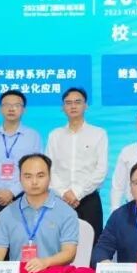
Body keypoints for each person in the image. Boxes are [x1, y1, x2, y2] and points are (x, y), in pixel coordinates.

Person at [0, 153, 79, 273]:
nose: (34, 182)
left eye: (40, 176)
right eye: (28, 176)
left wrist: (45, 262)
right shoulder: (7, 213)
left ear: (50, 177)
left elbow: (69, 253)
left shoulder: (67, 212)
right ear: (20, 178)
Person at [0, 89, 43, 234]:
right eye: (7, 105)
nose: (11, 108)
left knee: (24, 240)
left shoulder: (33, 136)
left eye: (17, 105)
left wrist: (12, 191)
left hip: (23, 196)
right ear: (0, 109)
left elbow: (36, 169)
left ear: (24, 109)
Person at [45, 87, 108, 242]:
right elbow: (49, 169)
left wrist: (77, 193)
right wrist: (64, 192)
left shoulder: (98, 134)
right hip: (60, 199)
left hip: (89, 198)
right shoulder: (55, 135)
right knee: (58, 243)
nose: (73, 106)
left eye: (77, 102)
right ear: (63, 107)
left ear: (86, 106)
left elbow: (101, 170)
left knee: (92, 244)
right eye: (68, 103)